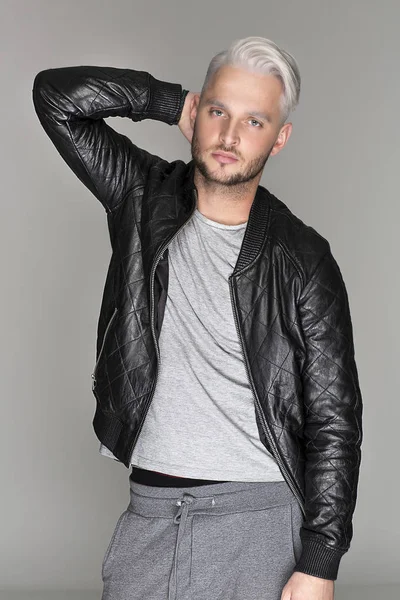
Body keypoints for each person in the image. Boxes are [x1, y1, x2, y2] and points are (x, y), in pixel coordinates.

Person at [32, 35, 363, 600]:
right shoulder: (140, 196)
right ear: (198, 112)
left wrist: (321, 562)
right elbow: (55, 97)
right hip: (152, 517)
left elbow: (335, 419)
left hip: (258, 523)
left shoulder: (303, 259)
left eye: (254, 121)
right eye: (218, 111)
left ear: (280, 139)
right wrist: (169, 102)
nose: (230, 136)